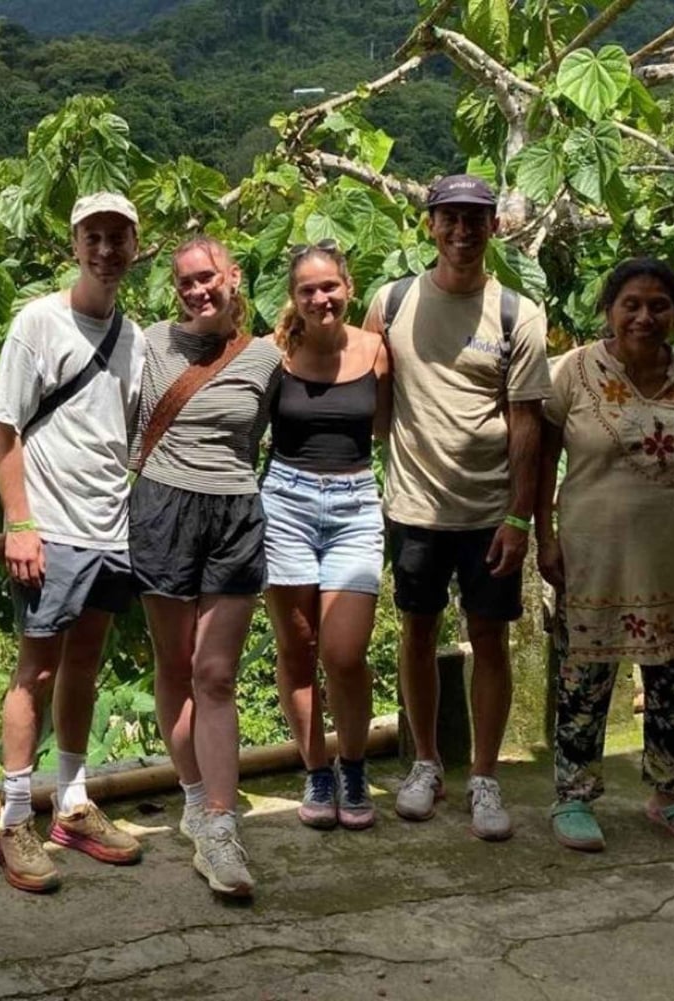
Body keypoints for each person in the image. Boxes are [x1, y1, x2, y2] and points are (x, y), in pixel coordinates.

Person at [363, 174, 551, 841]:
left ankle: (486, 774)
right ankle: (424, 762)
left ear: (494, 227)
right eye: (451, 219)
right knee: (417, 632)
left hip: (488, 514)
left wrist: (520, 517)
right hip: (412, 506)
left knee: (490, 639)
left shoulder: (518, 315)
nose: (463, 233)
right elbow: (373, 401)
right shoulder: (389, 303)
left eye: (476, 220)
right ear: (431, 225)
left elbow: (527, 425)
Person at [536, 257, 674, 854]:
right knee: (584, 678)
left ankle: (669, 793)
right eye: (632, 304)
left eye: (659, 305)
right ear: (609, 310)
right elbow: (541, 458)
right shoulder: (571, 373)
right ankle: (573, 795)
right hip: (596, 557)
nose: (645, 316)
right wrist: (541, 533)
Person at [0, 192, 146, 893]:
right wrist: (20, 521)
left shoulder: (134, 337)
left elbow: (132, 429)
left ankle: (73, 801)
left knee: (86, 662)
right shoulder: (38, 323)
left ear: (135, 247)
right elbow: (5, 429)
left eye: (118, 238)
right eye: (94, 237)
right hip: (51, 527)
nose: (106, 250)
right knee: (37, 670)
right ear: (74, 244)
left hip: (111, 525)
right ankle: (15, 816)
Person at [130, 236, 282, 897]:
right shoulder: (150, 344)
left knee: (214, 671)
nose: (199, 291)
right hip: (161, 507)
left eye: (208, 278)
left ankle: (221, 825)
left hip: (235, 513)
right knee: (174, 665)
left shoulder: (268, 355)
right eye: (186, 281)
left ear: (233, 276)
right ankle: (194, 795)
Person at [263, 241, 391, 832]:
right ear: (294, 298)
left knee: (344, 653)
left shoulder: (374, 351)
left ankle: (354, 763)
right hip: (284, 500)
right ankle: (317, 769)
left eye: (329, 287)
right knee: (297, 648)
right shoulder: (274, 355)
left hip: (355, 501)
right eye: (307, 290)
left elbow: (388, 427)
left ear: (349, 286)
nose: (320, 298)